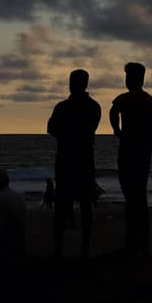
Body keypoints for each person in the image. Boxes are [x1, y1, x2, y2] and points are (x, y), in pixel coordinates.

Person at [47, 68, 101, 258]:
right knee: (83, 205)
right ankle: (83, 248)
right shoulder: (94, 106)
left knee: (65, 206)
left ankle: (59, 250)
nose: (72, 84)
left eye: (74, 81)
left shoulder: (63, 107)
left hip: (67, 160)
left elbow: (52, 128)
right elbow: (88, 130)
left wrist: (66, 135)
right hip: (84, 159)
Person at [109, 62, 152, 258]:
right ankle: (141, 243)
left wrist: (118, 131)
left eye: (129, 77)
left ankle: (134, 243)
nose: (128, 80)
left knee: (132, 198)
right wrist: (147, 148)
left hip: (129, 152)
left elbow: (113, 112)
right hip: (142, 153)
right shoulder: (151, 101)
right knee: (139, 197)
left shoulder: (125, 99)